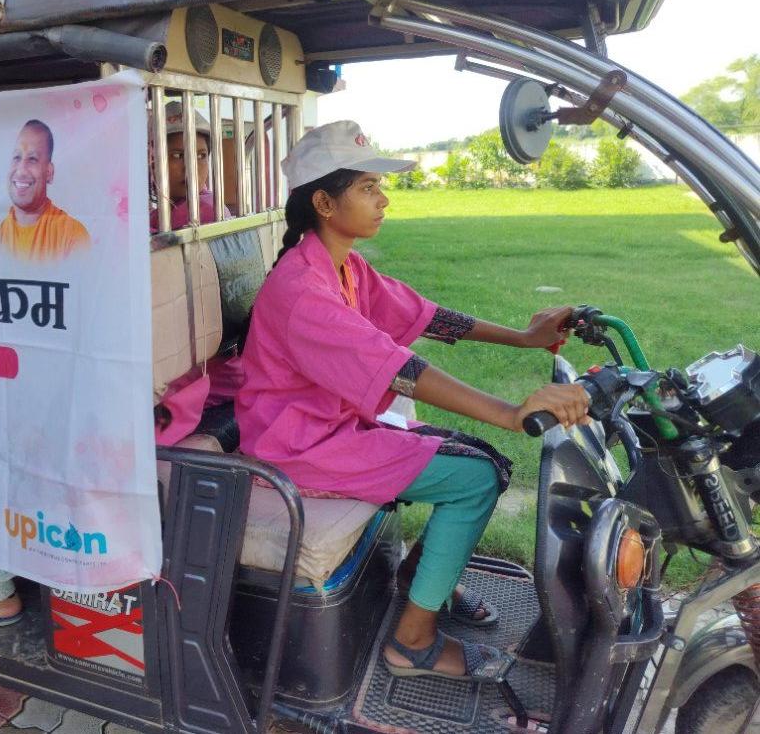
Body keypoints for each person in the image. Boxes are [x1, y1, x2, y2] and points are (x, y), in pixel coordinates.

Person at [235, 120, 590, 681]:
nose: (383, 199)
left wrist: (524, 338)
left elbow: (425, 316)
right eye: (368, 188)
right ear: (324, 203)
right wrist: (507, 412)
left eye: (380, 186)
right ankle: (411, 644)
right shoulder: (302, 291)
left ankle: (420, 579)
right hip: (298, 447)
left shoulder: (343, 267)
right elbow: (398, 371)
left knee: (487, 462)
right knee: (475, 478)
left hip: (333, 428)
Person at [0, 119, 91, 261]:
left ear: (49, 172)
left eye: (32, 159)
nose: (21, 171)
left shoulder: (72, 237)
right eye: (17, 157)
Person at [149, 102, 230, 232]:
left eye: (201, 156)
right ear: (152, 163)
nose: (191, 168)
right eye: (177, 156)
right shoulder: (162, 211)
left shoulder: (205, 211)